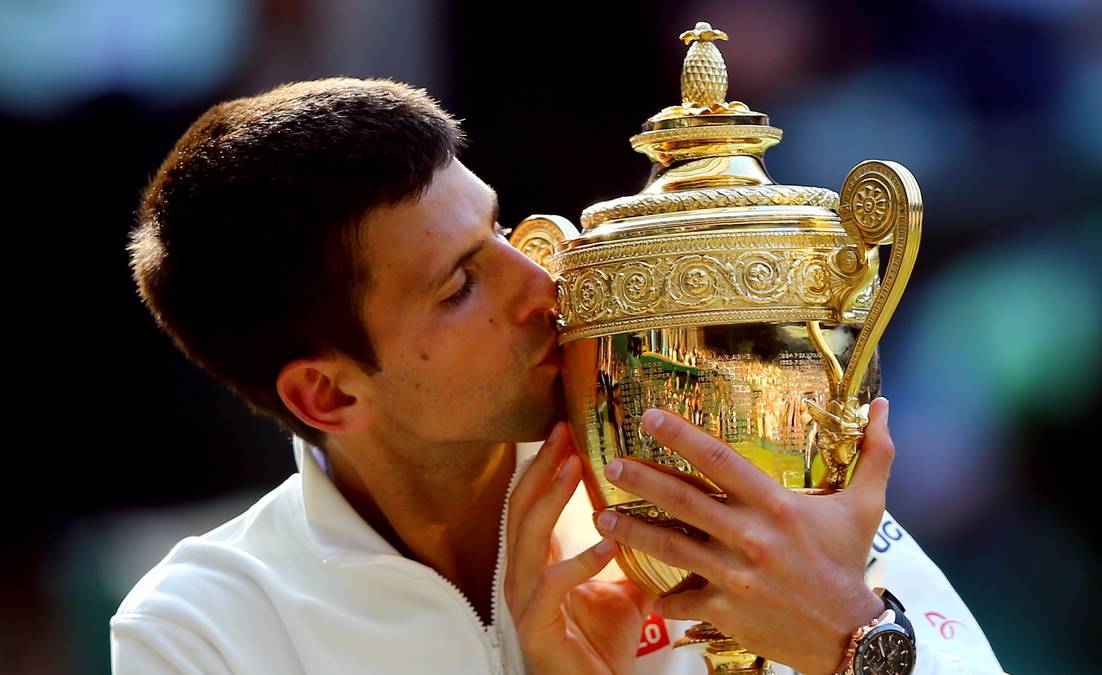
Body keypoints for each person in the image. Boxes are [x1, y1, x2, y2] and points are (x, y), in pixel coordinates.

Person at [112, 76, 1007, 674]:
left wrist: (853, 637)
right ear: (329, 393)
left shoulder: (720, 449)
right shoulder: (199, 629)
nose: (541, 285)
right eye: (462, 284)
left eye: (496, 231)